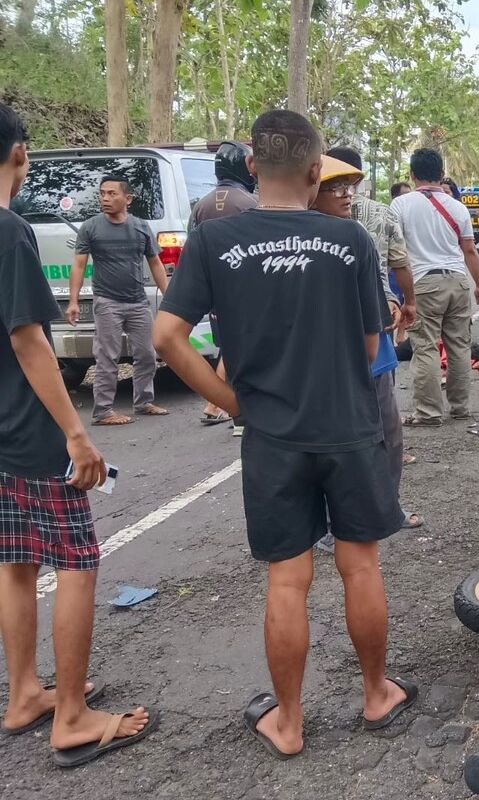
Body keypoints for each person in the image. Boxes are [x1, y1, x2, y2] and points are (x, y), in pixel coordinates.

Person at [153, 110, 416, 759]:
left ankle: (291, 723)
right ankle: (377, 694)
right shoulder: (348, 238)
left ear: (250, 167)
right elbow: (368, 343)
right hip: (349, 428)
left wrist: (232, 402)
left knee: (288, 581)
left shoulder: (215, 241)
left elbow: (166, 338)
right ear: (311, 171)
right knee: (360, 566)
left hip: (272, 434)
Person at [0, 102, 156, 767]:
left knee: (15, 561)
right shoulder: (9, 231)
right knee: (78, 565)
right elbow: (29, 340)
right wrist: (76, 434)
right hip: (30, 430)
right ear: (20, 154)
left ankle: (25, 693)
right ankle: (70, 716)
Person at [322, 146, 422, 535]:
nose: (347, 193)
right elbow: (397, 265)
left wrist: (397, 304)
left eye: (350, 185)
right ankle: (342, 522)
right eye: (336, 186)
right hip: (347, 344)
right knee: (357, 436)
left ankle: (381, 509)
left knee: (386, 431)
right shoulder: (319, 232)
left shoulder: (354, 226)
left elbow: (389, 272)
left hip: (373, 334)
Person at [389, 148, 479, 425]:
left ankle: (429, 412)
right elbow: (469, 250)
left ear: (412, 174)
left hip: (423, 282)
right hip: (457, 281)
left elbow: (395, 251)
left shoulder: (401, 205)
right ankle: (460, 407)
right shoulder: (457, 207)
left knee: (426, 348)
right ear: (441, 174)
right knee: (459, 346)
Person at [67, 176, 170, 425]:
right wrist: (73, 301)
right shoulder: (91, 227)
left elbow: (155, 263)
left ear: (128, 198)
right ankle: (103, 411)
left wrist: (170, 296)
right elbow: (79, 266)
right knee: (106, 357)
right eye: (102, 193)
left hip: (137, 302)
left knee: (147, 353)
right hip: (107, 302)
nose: (105, 198)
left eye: (112, 193)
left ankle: (144, 402)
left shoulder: (140, 226)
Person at [189, 140, 258, 429]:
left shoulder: (200, 206)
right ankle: (226, 408)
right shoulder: (251, 204)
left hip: (216, 293)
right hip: (247, 292)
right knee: (241, 351)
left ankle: (217, 405)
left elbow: (194, 252)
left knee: (229, 348)